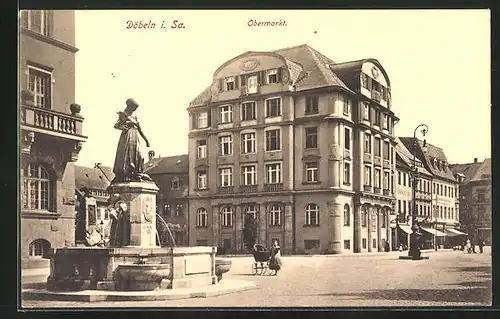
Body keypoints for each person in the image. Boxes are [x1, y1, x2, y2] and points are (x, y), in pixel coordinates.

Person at [112, 98, 152, 183]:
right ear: (130, 106)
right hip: (127, 135)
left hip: (135, 136)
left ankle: (137, 173)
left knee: (140, 155)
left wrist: (146, 140)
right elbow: (116, 126)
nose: (135, 109)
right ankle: (126, 173)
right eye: (134, 107)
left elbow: (140, 129)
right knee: (127, 155)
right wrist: (124, 127)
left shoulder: (135, 117)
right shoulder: (123, 114)